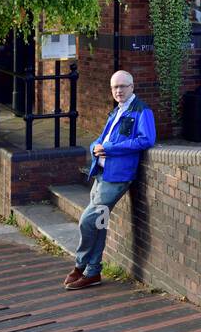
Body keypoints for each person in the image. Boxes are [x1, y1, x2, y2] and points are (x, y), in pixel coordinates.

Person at [66, 71, 156, 290]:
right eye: (115, 87)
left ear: (132, 87)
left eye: (123, 86)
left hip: (116, 178)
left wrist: (110, 149)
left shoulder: (141, 111)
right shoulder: (116, 111)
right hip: (101, 175)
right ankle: (93, 271)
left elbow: (146, 139)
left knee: (87, 220)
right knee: (99, 223)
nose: (118, 91)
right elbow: (101, 138)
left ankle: (80, 264)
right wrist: (94, 147)